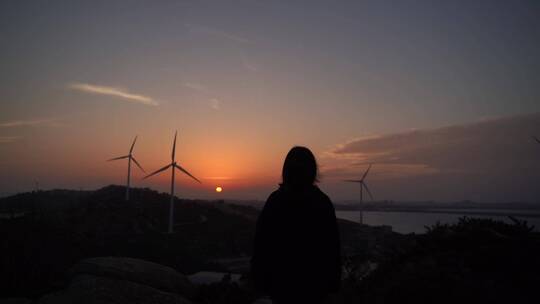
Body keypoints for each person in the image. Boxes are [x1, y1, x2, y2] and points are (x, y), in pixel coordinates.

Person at [251, 146, 341, 303]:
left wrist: (260, 280)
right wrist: (332, 286)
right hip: (314, 285)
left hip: (281, 284)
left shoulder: (275, 200)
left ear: (285, 170)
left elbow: (261, 243)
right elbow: (332, 247)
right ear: (312, 170)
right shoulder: (322, 202)